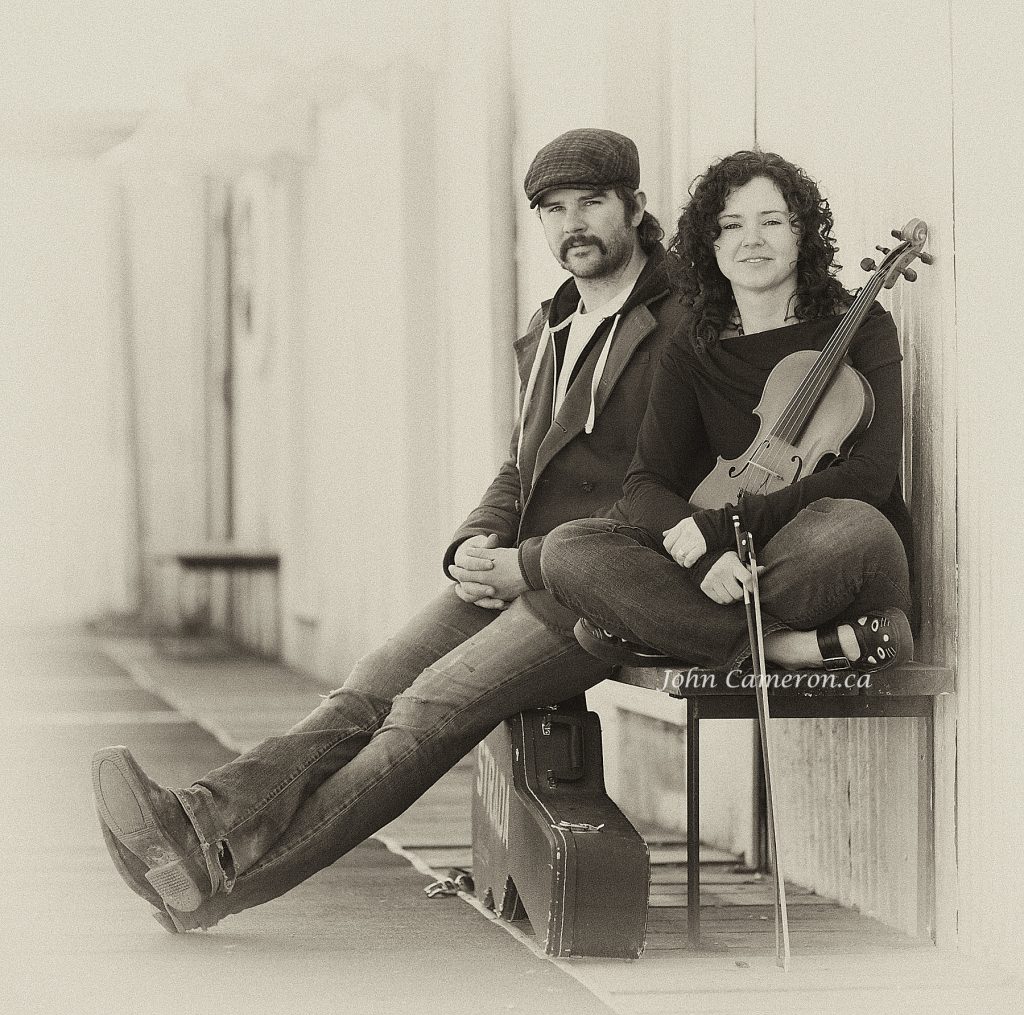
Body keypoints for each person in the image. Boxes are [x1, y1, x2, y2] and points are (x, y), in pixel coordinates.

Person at [91, 128, 687, 932]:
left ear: (636, 207)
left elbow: (666, 487)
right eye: (553, 209)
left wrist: (533, 564)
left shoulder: (684, 322)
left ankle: (220, 882)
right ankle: (204, 827)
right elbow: (521, 467)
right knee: (365, 691)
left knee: (425, 714)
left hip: (601, 588)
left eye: (592, 203)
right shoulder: (555, 322)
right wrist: (473, 543)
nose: (572, 223)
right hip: (514, 570)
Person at [540, 150, 915, 677]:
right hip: (729, 564)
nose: (751, 239)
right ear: (710, 243)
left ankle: (672, 632)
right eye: (731, 225)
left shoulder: (860, 323)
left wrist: (727, 526)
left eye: (771, 222)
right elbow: (646, 484)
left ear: (801, 233)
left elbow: (873, 476)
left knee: (853, 528)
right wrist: (704, 562)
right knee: (569, 548)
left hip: (822, 560)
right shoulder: (693, 346)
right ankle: (789, 647)